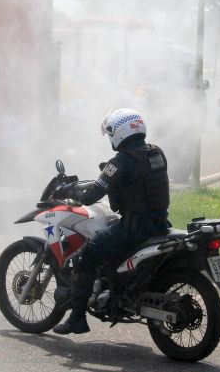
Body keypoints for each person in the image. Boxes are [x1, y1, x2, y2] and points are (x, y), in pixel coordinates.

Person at [50, 107, 171, 335]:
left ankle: (77, 319)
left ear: (119, 133)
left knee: (87, 255)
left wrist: (69, 190)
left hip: (133, 229)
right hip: (159, 223)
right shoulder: (156, 153)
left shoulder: (120, 162)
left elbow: (91, 195)